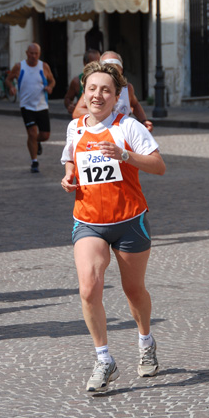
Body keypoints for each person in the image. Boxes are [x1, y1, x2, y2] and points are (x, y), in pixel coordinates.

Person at [60, 61, 166, 393]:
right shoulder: (74, 128)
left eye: (106, 89)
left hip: (129, 221)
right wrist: (68, 176)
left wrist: (124, 155)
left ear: (116, 96)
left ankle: (146, 341)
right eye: (92, 88)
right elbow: (70, 159)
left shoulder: (129, 126)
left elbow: (159, 166)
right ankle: (104, 360)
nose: (98, 94)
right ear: (84, 92)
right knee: (88, 288)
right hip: (88, 220)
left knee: (134, 290)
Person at [72, 51, 153, 132]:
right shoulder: (94, 89)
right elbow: (77, 112)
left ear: (121, 70)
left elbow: (135, 105)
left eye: (114, 68)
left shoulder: (127, 88)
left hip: (123, 132)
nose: (111, 72)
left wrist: (144, 121)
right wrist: (103, 113)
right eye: (107, 68)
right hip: (102, 132)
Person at [6, 43, 56, 173]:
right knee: (32, 133)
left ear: (39, 54)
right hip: (26, 106)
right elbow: (8, 79)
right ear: (27, 53)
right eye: (31, 53)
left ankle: (36, 142)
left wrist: (50, 87)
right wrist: (11, 87)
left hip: (42, 106)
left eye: (36, 54)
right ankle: (34, 161)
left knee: (45, 135)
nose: (33, 56)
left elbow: (52, 80)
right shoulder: (19, 67)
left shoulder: (44, 66)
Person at [63, 49, 100, 115]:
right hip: (83, 120)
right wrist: (69, 106)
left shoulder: (104, 79)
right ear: (85, 63)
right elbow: (67, 98)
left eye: (99, 62)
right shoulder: (77, 81)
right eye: (93, 63)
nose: (97, 66)